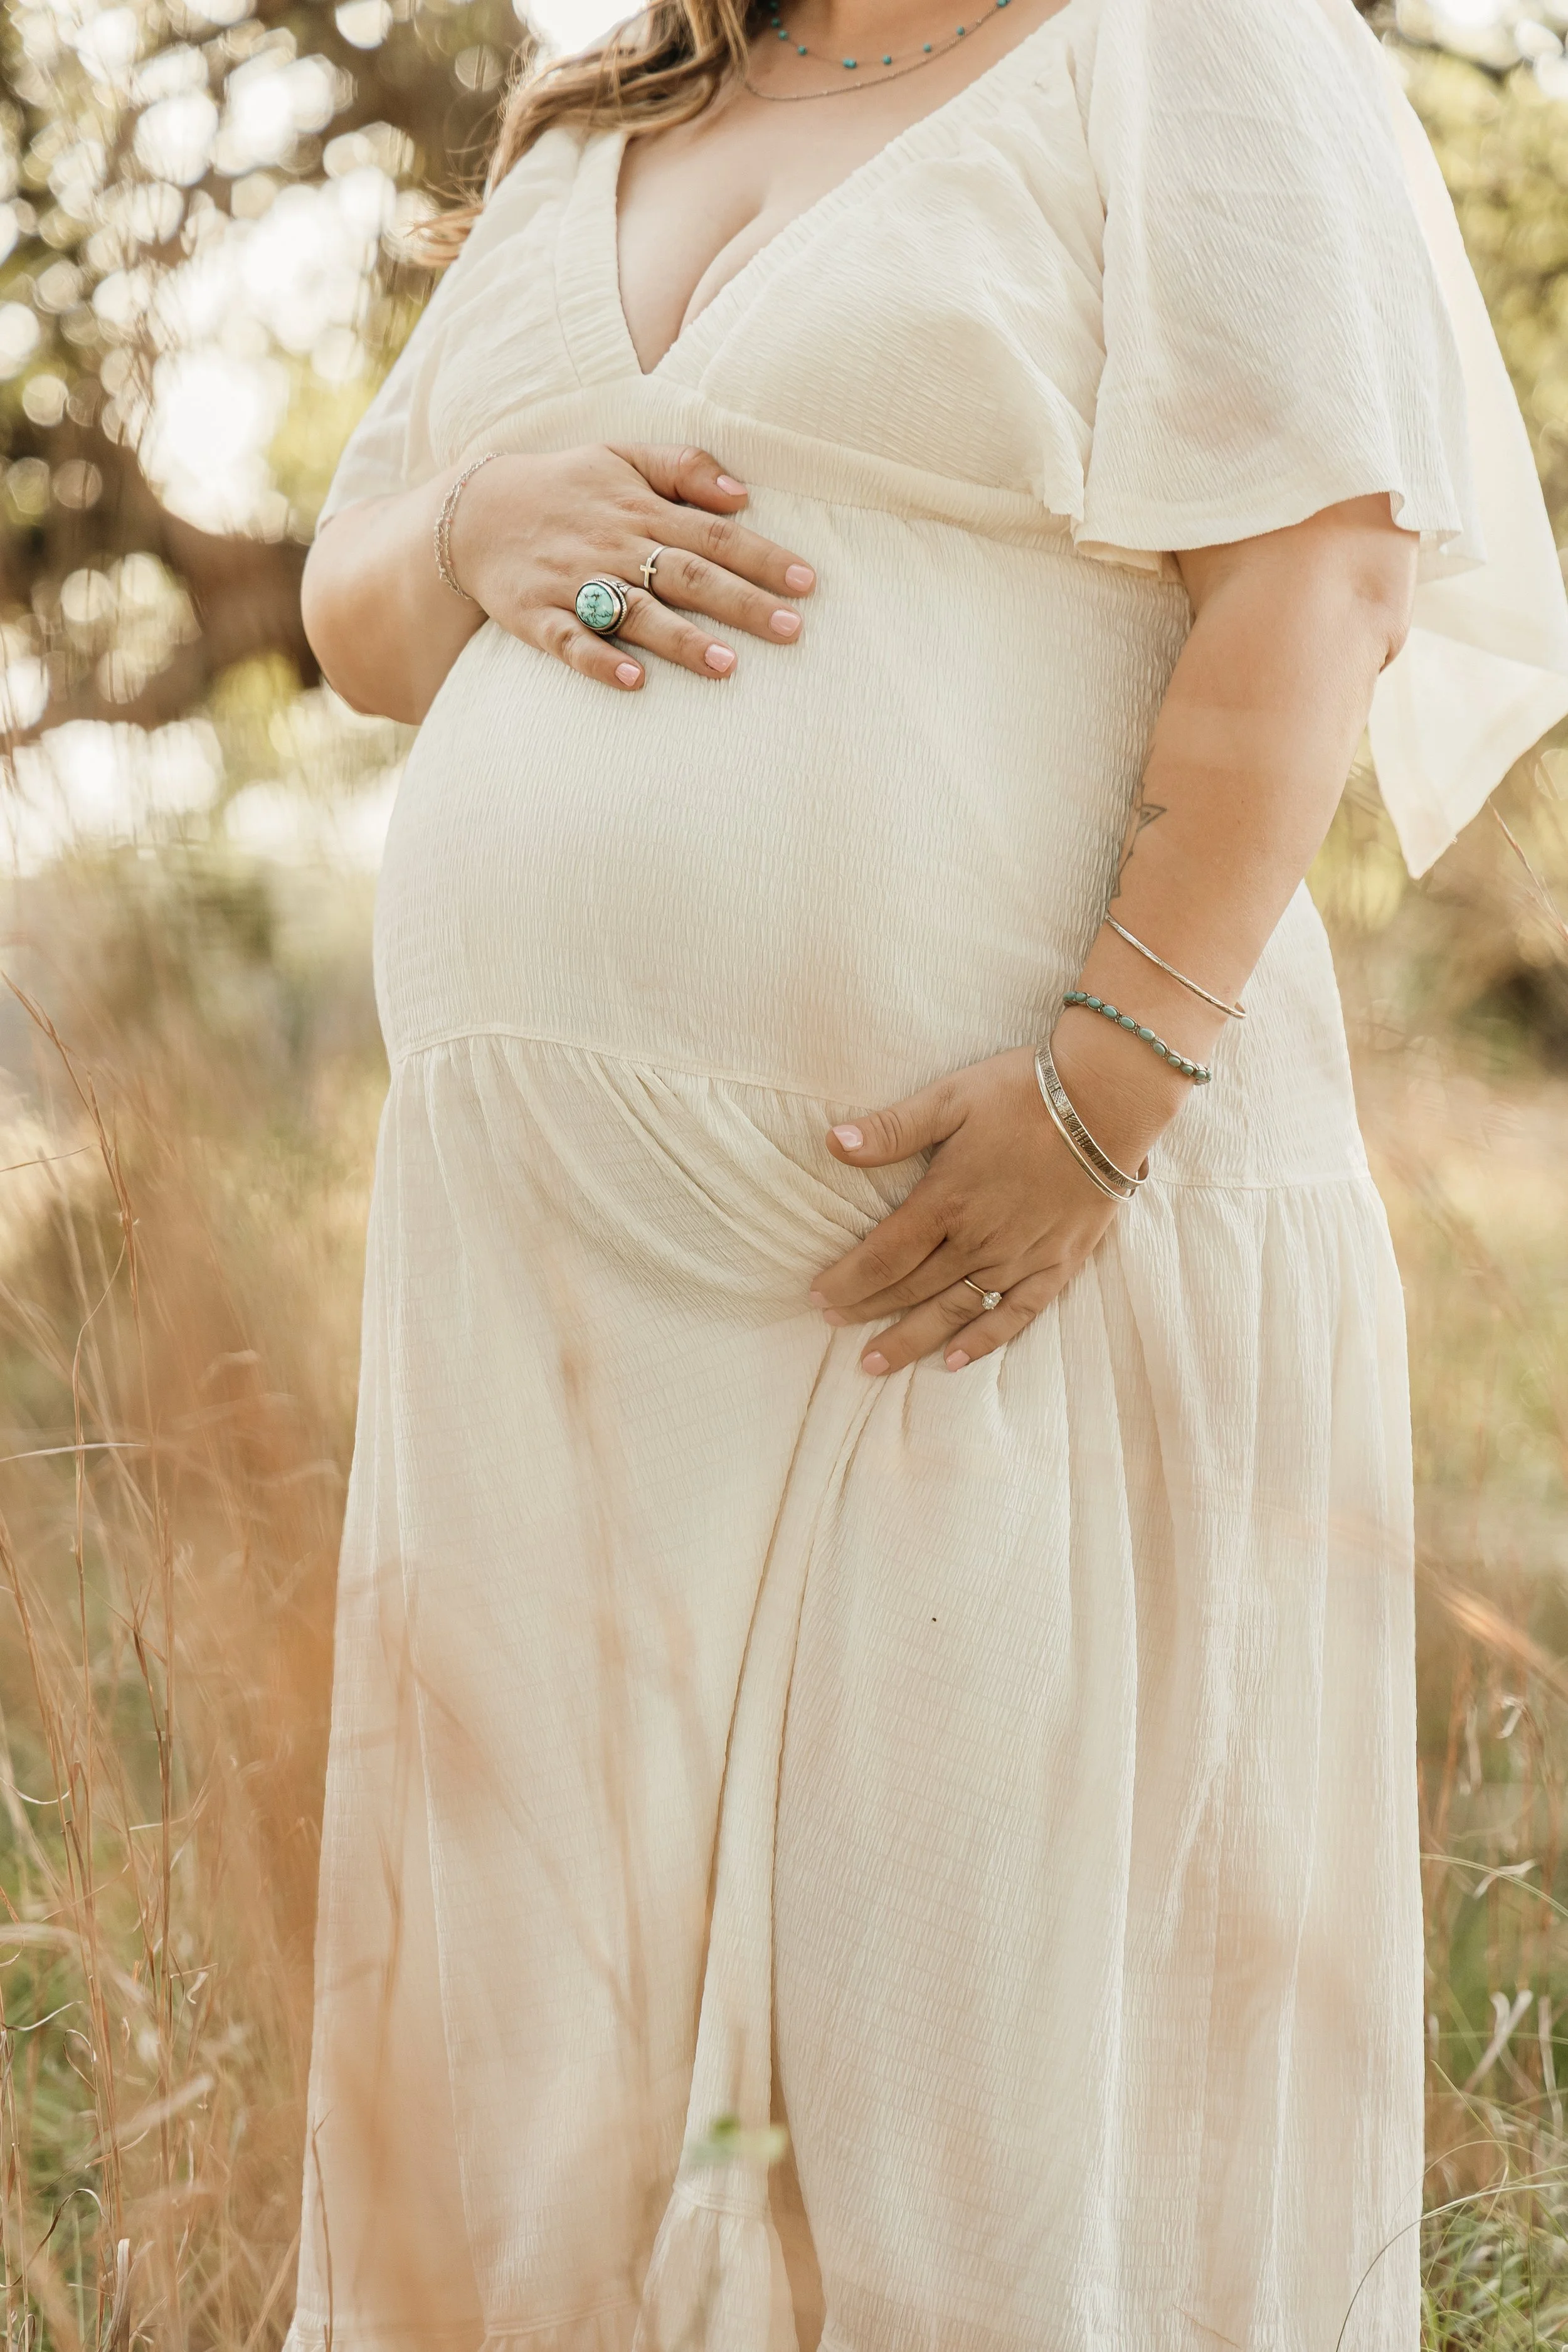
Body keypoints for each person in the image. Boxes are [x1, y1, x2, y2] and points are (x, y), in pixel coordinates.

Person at [285, 3, 1568, 2348]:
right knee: (535, 2122)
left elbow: (1323, 566)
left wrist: (1102, 1096)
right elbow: (356, 614)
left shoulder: (1182, 37)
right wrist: (471, 525)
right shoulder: (614, 97)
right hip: (548, 1327)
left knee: (956, 2133)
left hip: (1001, 1275)